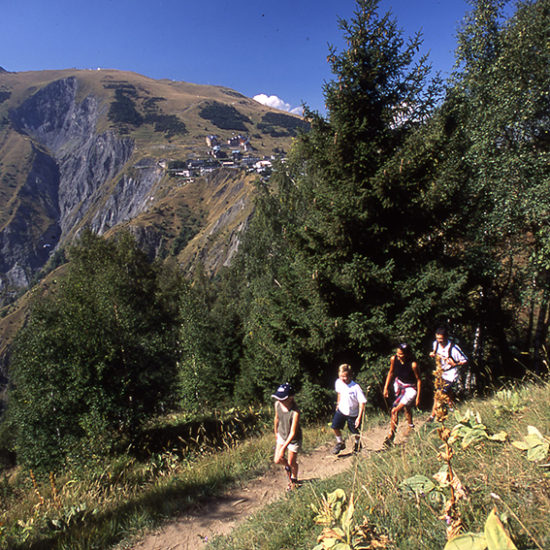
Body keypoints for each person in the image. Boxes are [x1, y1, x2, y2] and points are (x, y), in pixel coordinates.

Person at [382, 343, 421, 446]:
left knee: (395, 409)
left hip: (410, 389)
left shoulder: (413, 365)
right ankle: (411, 426)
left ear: (407, 354)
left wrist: (418, 397)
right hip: (399, 384)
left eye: (401, 354)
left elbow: (419, 380)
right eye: (397, 353)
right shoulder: (393, 359)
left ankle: (391, 436)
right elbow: (390, 372)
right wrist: (385, 387)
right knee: (406, 407)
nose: (398, 356)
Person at [428, 327, 468, 421]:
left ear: (446, 337)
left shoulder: (454, 348)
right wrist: (432, 354)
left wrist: (455, 364)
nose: (439, 342)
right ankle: (454, 412)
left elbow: (465, 360)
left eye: (441, 340)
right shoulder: (436, 344)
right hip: (441, 372)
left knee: (439, 393)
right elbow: (435, 353)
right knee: (448, 395)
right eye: (437, 339)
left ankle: (432, 415)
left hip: (451, 373)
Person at [331, 364, 367, 455]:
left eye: (345, 376)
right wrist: (338, 404)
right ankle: (340, 443)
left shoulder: (355, 387)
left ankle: (357, 444)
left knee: (355, 432)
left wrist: (359, 417)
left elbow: (362, 402)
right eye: (341, 376)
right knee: (335, 426)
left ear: (350, 376)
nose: (343, 378)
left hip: (353, 413)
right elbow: (339, 393)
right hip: (342, 410)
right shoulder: (338, 382)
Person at [272, 382, 302, 490]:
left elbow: (293, 432)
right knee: (277, 459)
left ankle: (294, 479)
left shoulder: (295, 412)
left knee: (291, 461)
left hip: (293, 439)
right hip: (282, 434)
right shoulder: (277, 405)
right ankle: (288, 467)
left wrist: (283, 447)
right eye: (278, 398)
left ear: (290, 398)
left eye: (282, 398)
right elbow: (277, 418)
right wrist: (276, 432)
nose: (279, 400)